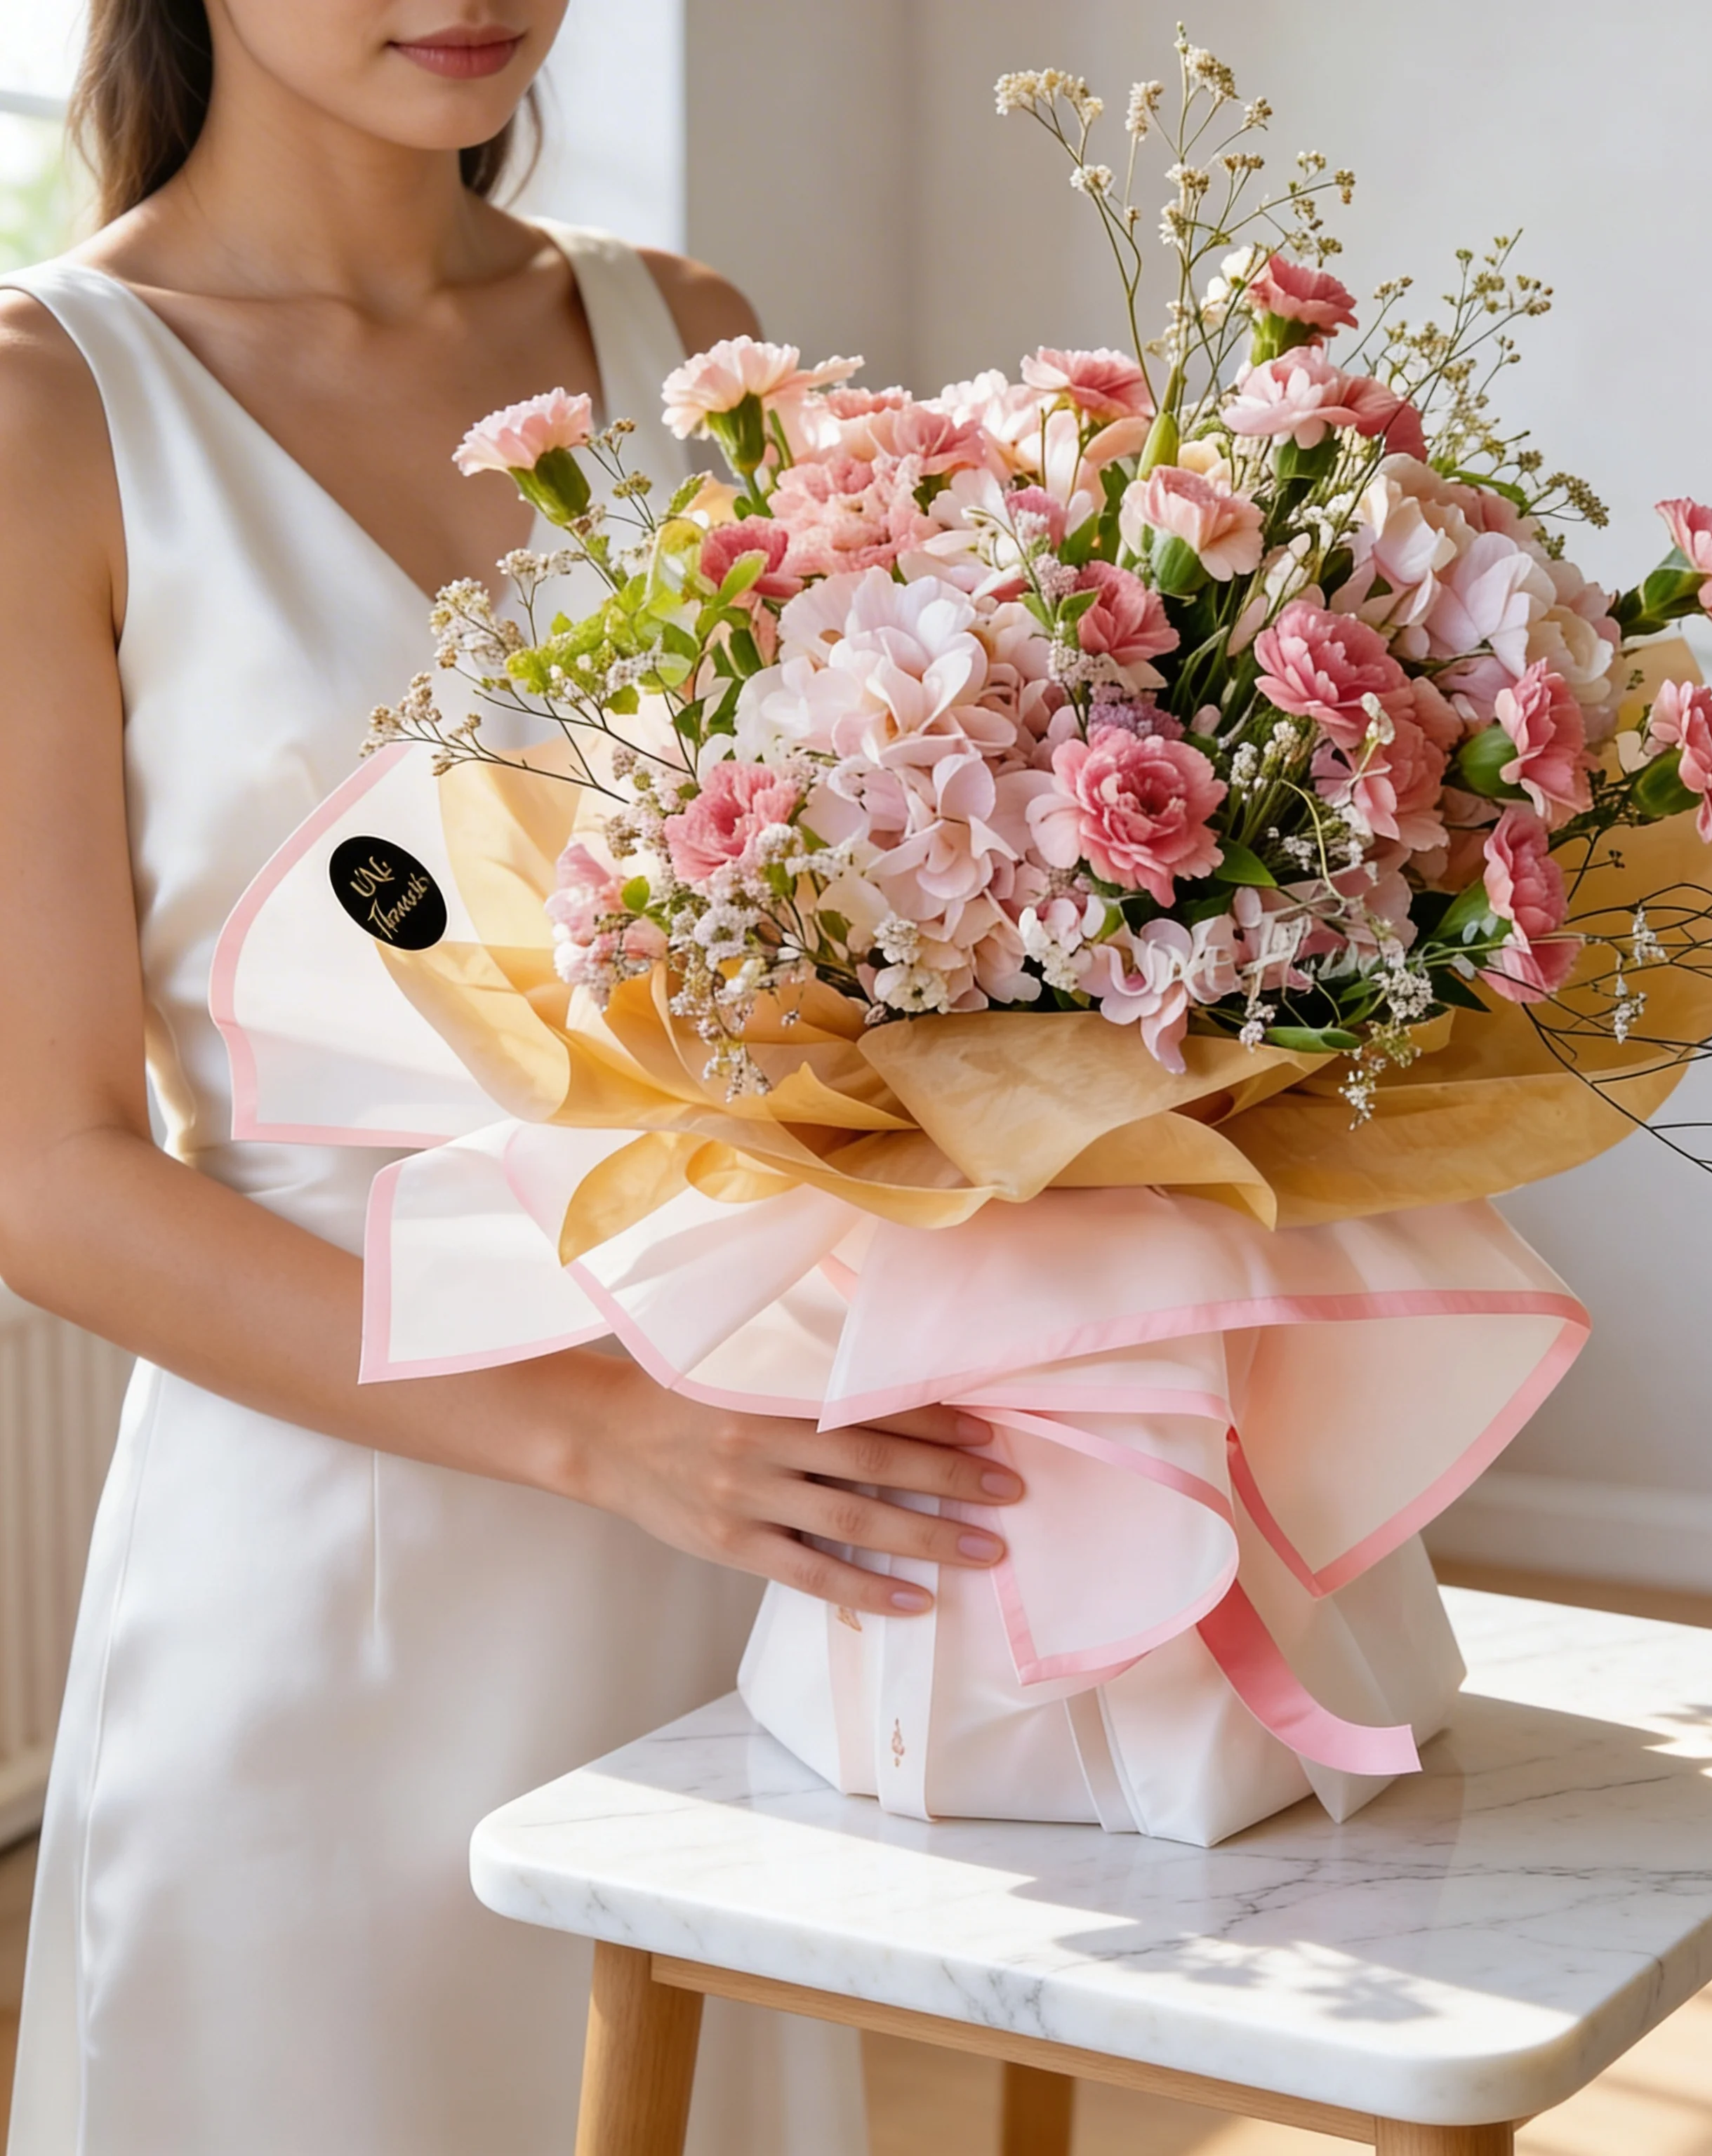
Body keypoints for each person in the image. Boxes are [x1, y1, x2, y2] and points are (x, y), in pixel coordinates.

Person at [0, 5, 1025, 2149]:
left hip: (730, 1506)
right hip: (338, 1547)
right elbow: (51, 1172)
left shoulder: (698, 342)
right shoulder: (47, 411)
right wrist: (600, 1439)